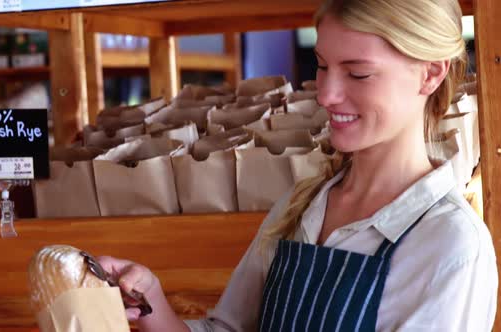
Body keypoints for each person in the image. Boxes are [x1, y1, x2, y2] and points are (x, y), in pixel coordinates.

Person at [98, 0, 498, 330]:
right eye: (322, 66)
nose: (326, 94)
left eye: (358, 74)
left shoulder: (449, 245)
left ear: (430, 74)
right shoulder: (304, 204)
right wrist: (150, 296)